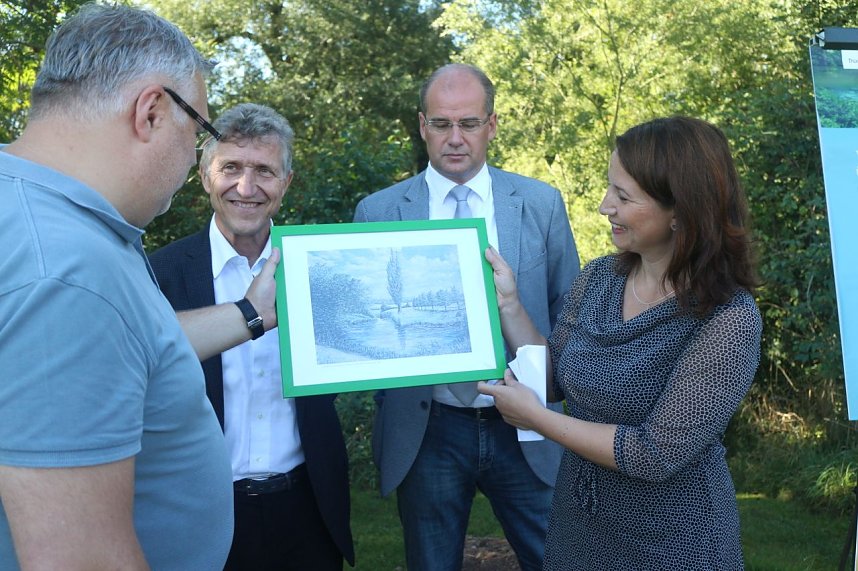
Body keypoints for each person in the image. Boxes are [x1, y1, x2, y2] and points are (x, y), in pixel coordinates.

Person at [0, 4, 280, 569]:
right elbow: (80, 561)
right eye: (198, 131)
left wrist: (252, 312)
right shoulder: (70, 272)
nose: (192, 157)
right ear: (151, 112)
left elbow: (136, 350)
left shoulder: (42, 214)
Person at [479, 116, 762, 570]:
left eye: (623, 196)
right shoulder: (599, 278)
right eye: (609, 188)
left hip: (672, 543)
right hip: (579, 529)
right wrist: (509, 305)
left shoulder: (728, 318)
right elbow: (554, 379)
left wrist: (537, 419)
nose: (604, 206)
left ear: (681, 210)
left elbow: (655, 453)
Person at [353, 63, 579, 570]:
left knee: (558, 559)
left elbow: (570, 315)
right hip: (427, 426)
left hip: (526, 422)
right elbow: (370, 322)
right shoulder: (378, 211)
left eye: (469, 123)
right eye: (441, 123)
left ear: (491, 125)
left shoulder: (541, 203)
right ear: (422, 126)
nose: (455, 138)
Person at [148, 103, 355, 570]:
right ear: (205, 177)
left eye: (264, 170)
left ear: (286, 182)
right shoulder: (159, 275)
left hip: (307, 509)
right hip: (203, 512)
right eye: (231, 168)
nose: (246, 187)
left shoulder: (322, 266)